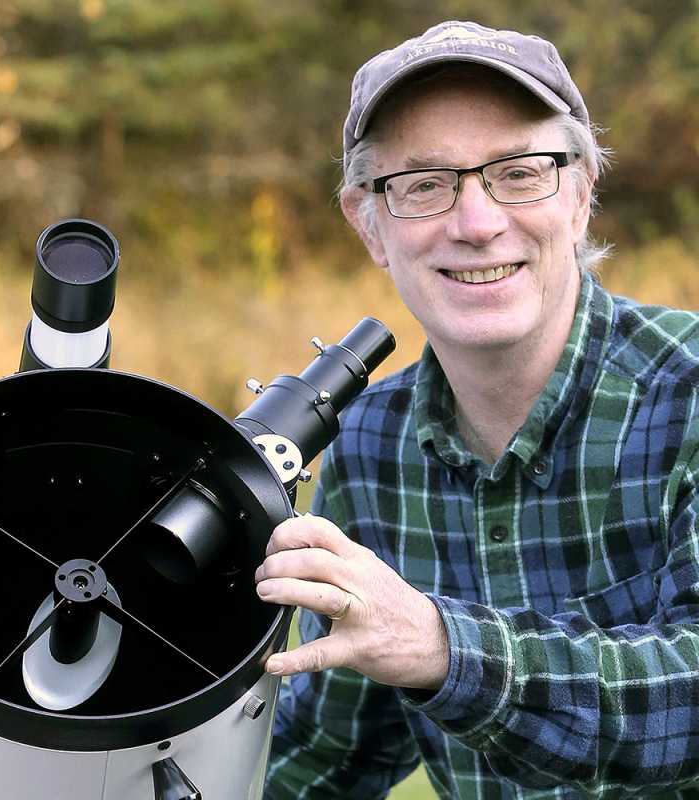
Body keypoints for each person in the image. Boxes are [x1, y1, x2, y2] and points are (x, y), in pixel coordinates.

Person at [257, 19, 699, 800]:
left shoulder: (688, 394)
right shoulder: (367, 442)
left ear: (581, 194)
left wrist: (441, 648)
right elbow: (330, 754)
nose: (476, 222)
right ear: (369, 225)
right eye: (424, 185)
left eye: (520, 172)